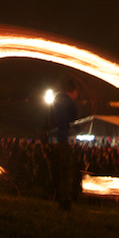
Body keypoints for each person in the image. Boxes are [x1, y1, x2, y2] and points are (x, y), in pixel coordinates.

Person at [50, 78, 80, 210]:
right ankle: (65, 201)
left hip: (57, 140)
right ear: (74, 91)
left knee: (58, 170)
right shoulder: (70, 104)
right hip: (65, 140)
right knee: (67, 172)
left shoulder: (56, 100)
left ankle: (56, 196)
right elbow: (74, 119)